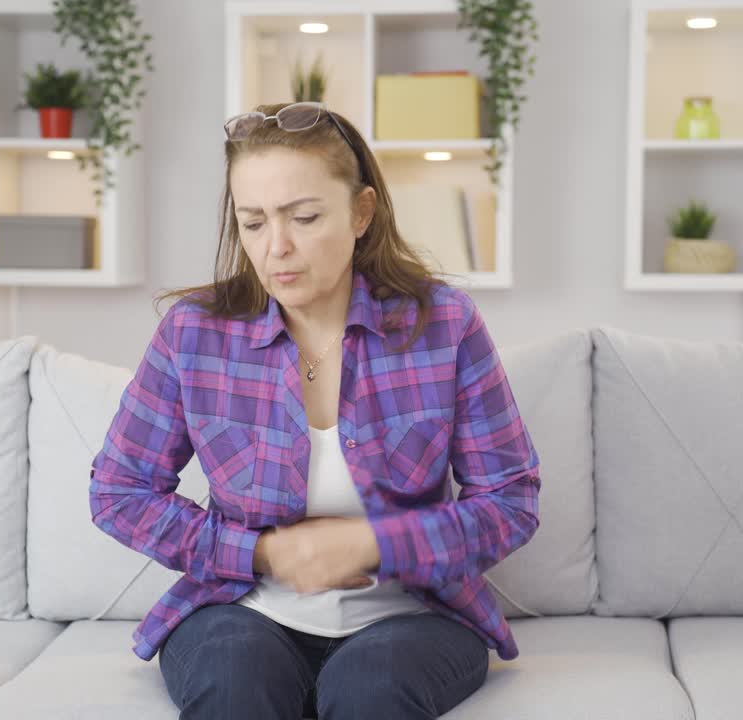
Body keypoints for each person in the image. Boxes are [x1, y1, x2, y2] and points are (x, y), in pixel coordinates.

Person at [89, 101, 540, 720]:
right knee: (232, 688)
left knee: (369, 691)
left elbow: (511, 501)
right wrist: (264, 555)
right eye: (252, 223)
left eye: (304, 217)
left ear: (361, 212)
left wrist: (378, 545)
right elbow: (119, 491)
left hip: (413, 617)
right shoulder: (192, 335)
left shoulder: (444, 326)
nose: (277, 248)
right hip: (240, 610)